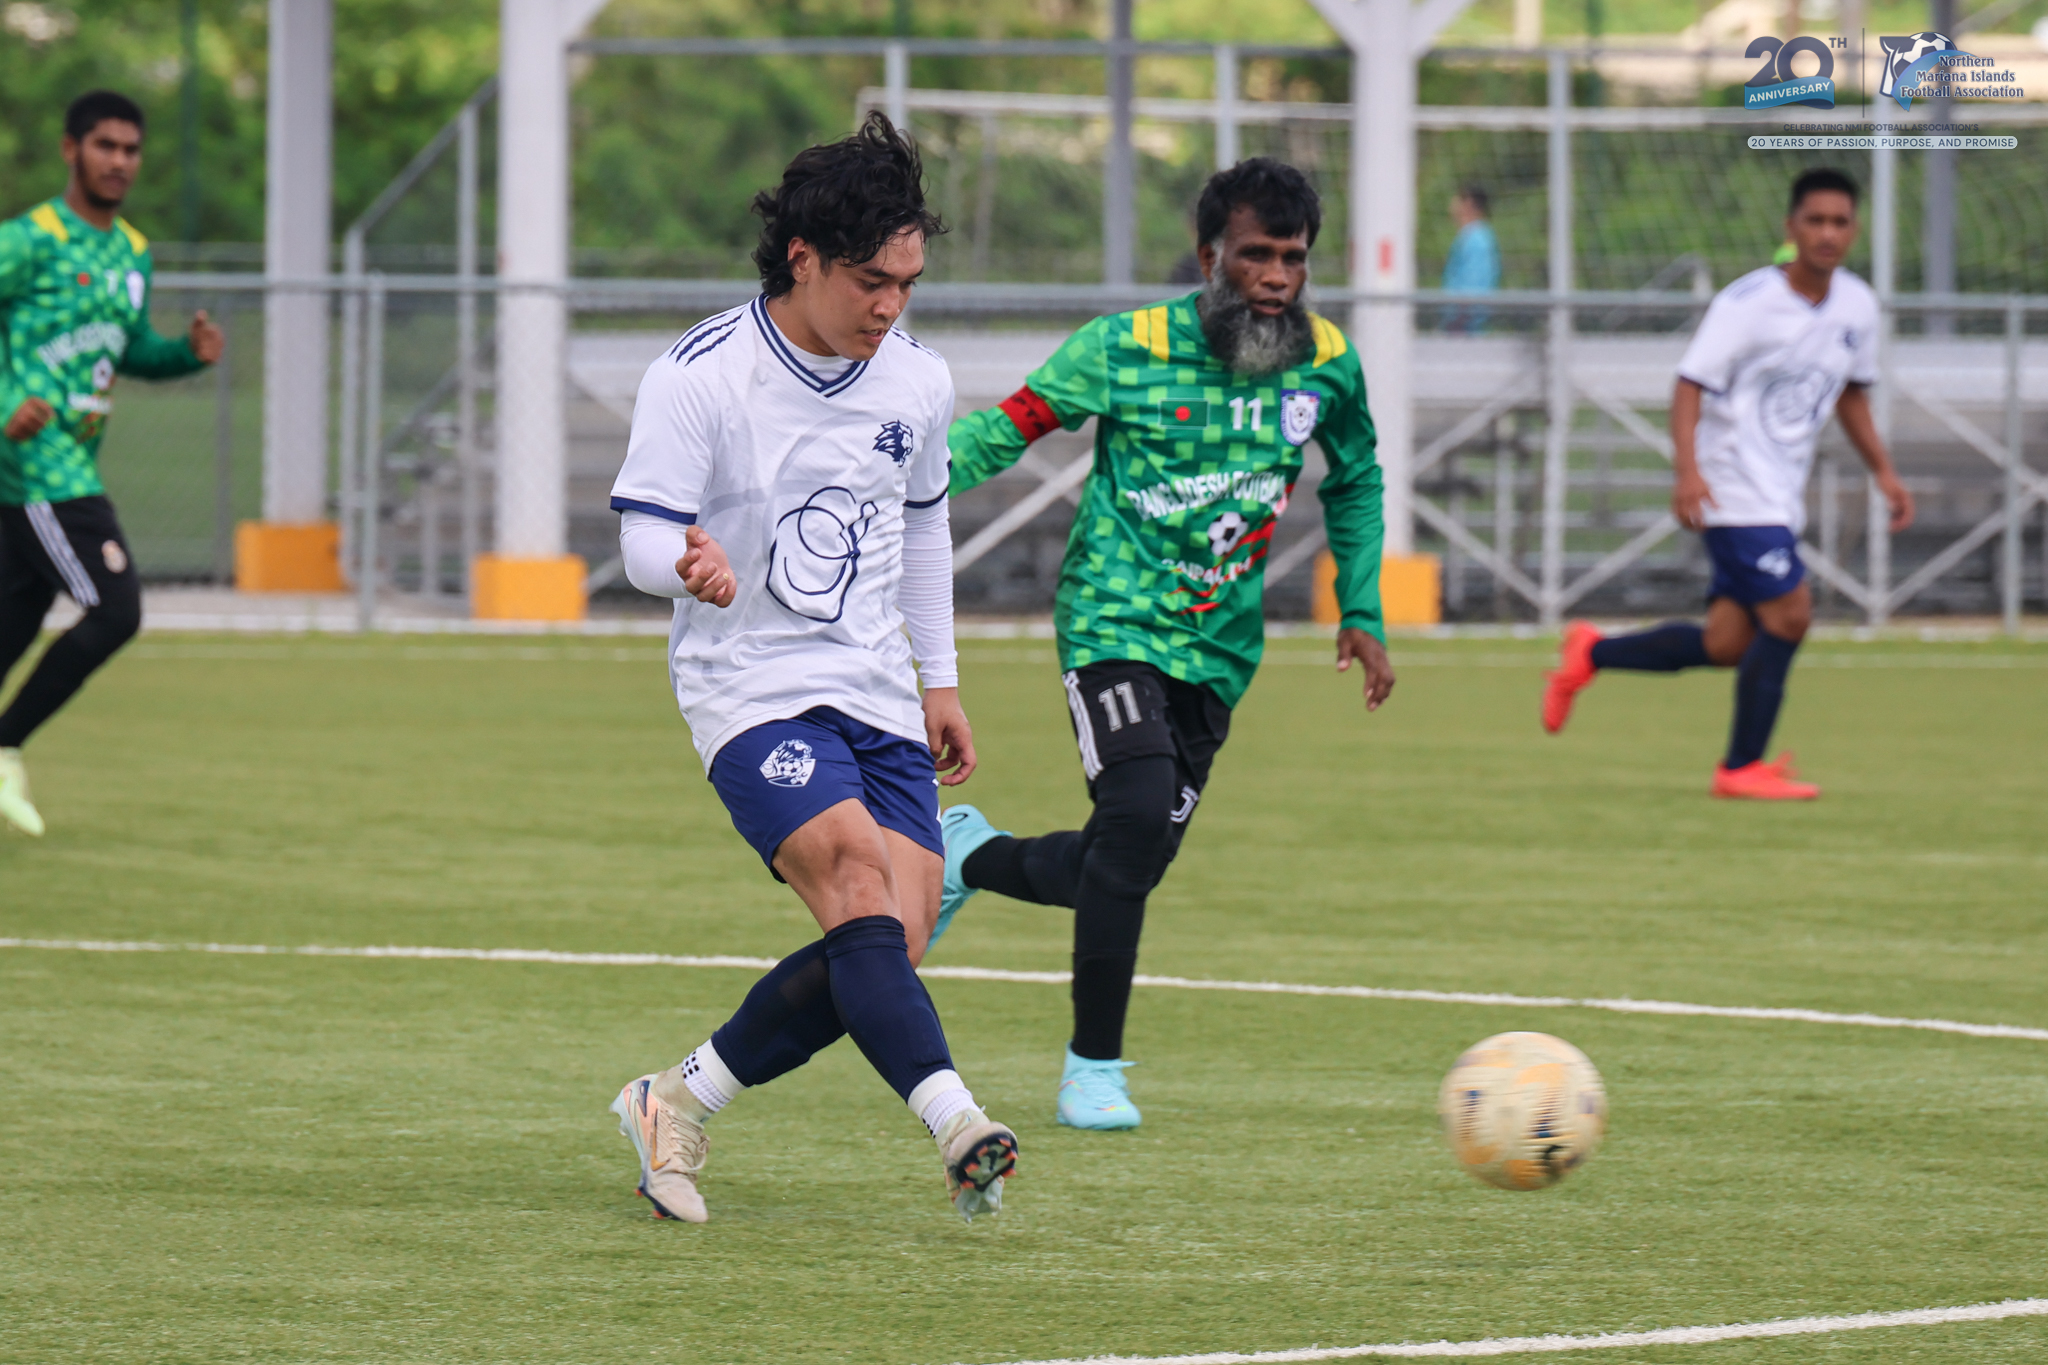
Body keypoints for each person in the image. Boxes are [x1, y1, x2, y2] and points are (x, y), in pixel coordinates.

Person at [603, 113, 1016, 1225]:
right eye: (871, 282)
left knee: (886, 938)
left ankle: (675, 1099)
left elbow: (922, 531)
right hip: (747, 686)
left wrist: (941, 679)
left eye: (908, 284)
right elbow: (641, 536)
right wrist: (681, 566)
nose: (890, 306)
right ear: (803, 261)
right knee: (852, 878)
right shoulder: (701, 375)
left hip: (877, 686)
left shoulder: (916, 382)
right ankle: (956, 1122)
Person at [936, 158, 1396, 1131]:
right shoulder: (1122, 347)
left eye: (1293, 259)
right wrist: (895, 478)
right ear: (1208, 256)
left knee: (1124, 859)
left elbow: (1353, 479)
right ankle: (1091, 1069)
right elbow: (1009, 428)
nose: (1275, 277)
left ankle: (965, 857)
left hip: (1220, 650)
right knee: (1136, 813)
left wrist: (1359, 607)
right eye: (1255, 256)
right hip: (1112, 623)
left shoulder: (1326, 364)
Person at [1541, 167, 1913, 799]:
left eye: (1839, 222)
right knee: (1792, 614)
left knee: (1727, 643)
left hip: (1779, 496)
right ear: (1790, 227)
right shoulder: (1746, 305)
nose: (1827, 233)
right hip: (1732, 491)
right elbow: (1689, 385)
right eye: (1815, 220)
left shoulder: (1857, 306)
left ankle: (1591, 654)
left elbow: (1851, 394)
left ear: (1853, 231)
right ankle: (1740, 768)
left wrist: (1883, 469)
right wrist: (1688, 471)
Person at [0, 90, 222, 837]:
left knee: (13, 623)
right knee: (117, 606)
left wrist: (182, 356)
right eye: (105, 146)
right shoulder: (30, 240)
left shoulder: (132, 251)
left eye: (131, 150)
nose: (119, 161)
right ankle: (3, 745)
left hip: (64, 465)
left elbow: (126, 354)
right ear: (71, 149)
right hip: (37, 465)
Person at [1441, 184, 1499, 335]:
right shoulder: (1466, 237)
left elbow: (1473, 286)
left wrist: (1459, 320)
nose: (1452, 205)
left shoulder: (1478, 240)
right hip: (1458, 323)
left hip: (1465, 328)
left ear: (1468, 204)